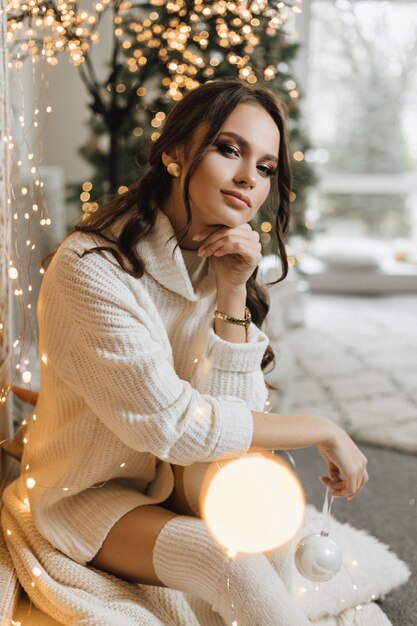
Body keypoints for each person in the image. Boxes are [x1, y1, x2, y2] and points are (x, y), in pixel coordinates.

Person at [2, 78, 368, 625]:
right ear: (174, 154)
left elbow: (231, 426)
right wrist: (320, 427)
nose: (249, 176)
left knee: (261, 511)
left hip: (173, 476)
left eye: (266, 167)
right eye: (229, 149)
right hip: (86, 494)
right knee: (230, 567)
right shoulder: (91, 269)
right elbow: (173, 426)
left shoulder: (221, 258)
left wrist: (232, 290)